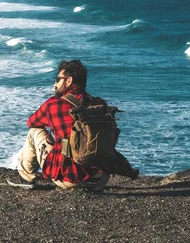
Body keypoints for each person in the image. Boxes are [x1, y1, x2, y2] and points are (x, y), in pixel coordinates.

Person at [8, 59, 139, 191]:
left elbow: (32, 122)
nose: (55, 84)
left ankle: (26, 178)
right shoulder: (99, 103)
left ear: (69, 81)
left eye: (58, 79)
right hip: (99, 180)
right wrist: (129, 171)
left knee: (35, 132)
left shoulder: (54, 104)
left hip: (69, 179)